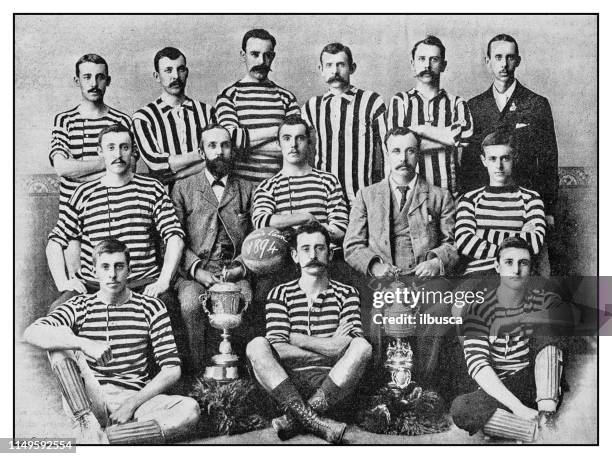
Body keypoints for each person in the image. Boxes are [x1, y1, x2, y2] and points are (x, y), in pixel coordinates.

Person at [23, 239, 200, 444]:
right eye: (105, 267)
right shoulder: (81, 305)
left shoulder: (151, 307)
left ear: (129, 270)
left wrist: (132, 403)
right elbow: (32, 332)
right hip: (91, 399)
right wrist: (84, 343)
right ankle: (88, 425)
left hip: (136, 397)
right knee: (58, 339)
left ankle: (99, 439)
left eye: (119, 266)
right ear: (94, 271)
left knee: (189, 411)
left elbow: (171, 369)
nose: (112, 274)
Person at [343, 127, 458, 385]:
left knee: (439, 309)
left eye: (410, 151)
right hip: (382, 277)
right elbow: (352, 245)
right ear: (386, 154)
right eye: (396, 151)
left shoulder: (440, 196)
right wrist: (374, 266)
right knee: (371, 309)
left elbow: (453, 244)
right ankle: (381, 386)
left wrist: (436, 261)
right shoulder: (367, 195)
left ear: (418, 155)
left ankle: (424, 387)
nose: (403, 158)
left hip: (423, 278)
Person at [246, 221, 371, 444]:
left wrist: (299, 339)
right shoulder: (280, 293)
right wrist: (330, 348)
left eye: (319, 248)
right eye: (305, 249)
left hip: (332, 384)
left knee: (362, 347)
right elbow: (279, 350)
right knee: (256, 345)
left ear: (330, 254)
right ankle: (315, 421)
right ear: (294, 256)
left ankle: (296, 419)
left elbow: (350, 346)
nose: (313, 254)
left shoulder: (347, 293)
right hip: (286, 383)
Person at [46, 124, 185, 310]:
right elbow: (55, 242)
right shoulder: (83, 193)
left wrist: (163, 281)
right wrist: (63, 283)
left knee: (168, 309)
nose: (118, 154)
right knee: (57, 311)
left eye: (124, 147)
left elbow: (175, 236)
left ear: (133, 151)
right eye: (111, 148)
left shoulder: (152, 189)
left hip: (142, 284)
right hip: (93, 286)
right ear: (100, 151)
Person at [451, 237, 573, 442]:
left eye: (523, 263)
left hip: (534, 380)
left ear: (530, 268)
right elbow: (479, 365)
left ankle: (546, 413)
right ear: (497, 266)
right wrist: (519, 409)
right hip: (499, 387)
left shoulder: (540, 298)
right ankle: (537, 433)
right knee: (462, 409)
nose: (516, 270)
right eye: (509, 262)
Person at [171, 124, 255, 374]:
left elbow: (254, 237)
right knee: (191, 304)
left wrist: (239, 268)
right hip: (194, 274)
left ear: (233, 151)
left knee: (246, 299)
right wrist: (197, 271)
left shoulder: (248, 189)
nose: (219, 151)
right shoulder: (183, 188)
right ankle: (199, 374)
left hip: (235, 271)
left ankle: (242, 378)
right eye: (212, 146)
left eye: (225, 145)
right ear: (201, 151)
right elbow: (172, 237)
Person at [461, 34, 558, 230]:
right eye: (498, 57)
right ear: (487, 61)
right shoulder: (474, 106)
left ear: (518, 61)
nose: (504, 64)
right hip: (486, 206)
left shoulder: (537, 104)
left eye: (509, 57)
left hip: (527, 206)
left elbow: (549, 161)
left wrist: (548, 210)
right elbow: (469, 163)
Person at [50, 54, 133, 279]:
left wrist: (81, 172)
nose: (93, 84)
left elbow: (127, 169)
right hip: (73, 224)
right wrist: (108, 165)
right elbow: (62, 168)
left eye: (100, 77)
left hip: (115, 216)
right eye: (87, 77)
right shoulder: (64, 120)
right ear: (77, 80)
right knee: (79, 286)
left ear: (108, 80)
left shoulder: (121, 121)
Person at [301, 42, 387, 205]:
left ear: (352, 68)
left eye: (341, 65)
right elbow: (296, 145)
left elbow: (386, 147)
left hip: (362, 199)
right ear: (321, 69)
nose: (335, 71)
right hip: (325, 200)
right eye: (329, 65)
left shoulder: (371, 101)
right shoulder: (312, 106)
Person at [387, 35, 473, 198]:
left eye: (434, 59)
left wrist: (419, 130)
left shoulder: (456, 103)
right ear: (413, 64)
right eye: (421, 59)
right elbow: (397, 144)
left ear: (443, 65)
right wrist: (447, 139)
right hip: (410, 196)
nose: (427, 65)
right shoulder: (401, 101)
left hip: (449, 195)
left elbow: (466, 136)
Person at [455, 130, 546, 276]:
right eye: (492, 159)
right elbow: (464, 243)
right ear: (483, 161)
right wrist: (518, 236)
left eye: (505, 158)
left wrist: (482, 234)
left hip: (516, 274)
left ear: (514, 158)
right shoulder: (469, 199)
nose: (499, 165)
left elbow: (534, 243)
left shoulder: (531, 198)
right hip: (477, 276)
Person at [216, 29, 300, 184]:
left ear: (273, 56)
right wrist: (279, 131)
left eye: (267, 55)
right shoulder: (229, 96)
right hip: (240, 192)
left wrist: (245, 146)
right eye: (255, 54)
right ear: (243, 55)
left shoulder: (287, 98)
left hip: (280, 190)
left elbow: (295, 147)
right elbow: (230, 142)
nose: (261, 61)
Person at [252, 115, 349, 246]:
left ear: (309, 143)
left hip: (324, 259)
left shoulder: (328, 180)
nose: (293, 145)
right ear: (278, 144)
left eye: (300, 138)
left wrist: (309, 228)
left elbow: (340, 230)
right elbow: (261, 221)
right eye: (287, 138)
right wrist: (306, 218)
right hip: (286, 260)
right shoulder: (268, 186)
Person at [133, 47, 216, 185]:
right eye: (168, 70)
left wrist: (177, 176)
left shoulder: (207, 112)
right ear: (157, 76)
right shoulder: (144, 117)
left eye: (180, 69)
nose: (176, 76)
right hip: (164, 196)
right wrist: (203, 153)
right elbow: (157, 163)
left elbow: (217, 159)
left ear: (187, 72)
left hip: (203, 192)